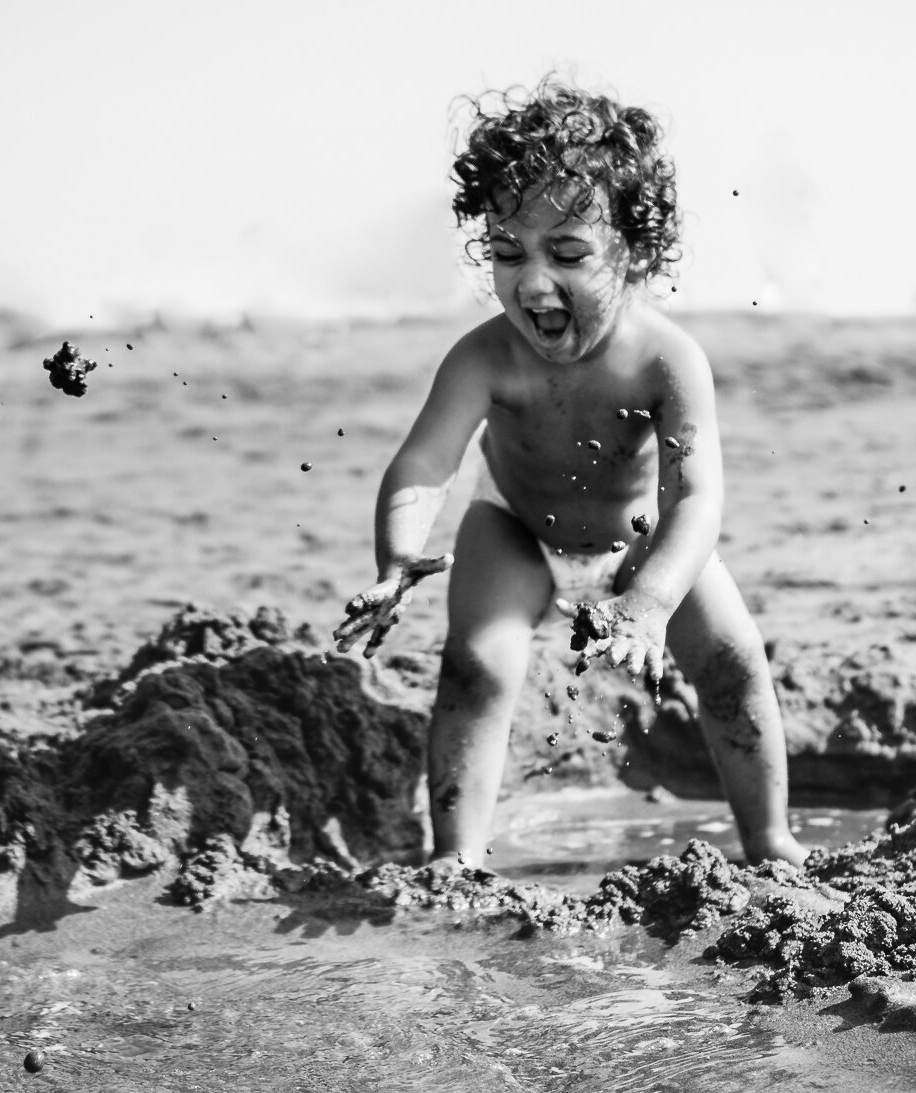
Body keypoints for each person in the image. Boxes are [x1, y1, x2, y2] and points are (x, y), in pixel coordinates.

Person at [334, 78, 807, 871]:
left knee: (733, 660)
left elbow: (696, 497)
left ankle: (770, 840)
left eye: (567, 253)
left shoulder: (667, 359)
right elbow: (425, 460)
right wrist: (396, 557)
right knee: (476, 667)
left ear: (638, 254)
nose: (531, 282)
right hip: (515, 529)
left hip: (643, 538)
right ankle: (456, 856)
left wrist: (651, 602)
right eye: (507, 252)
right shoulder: (484, 357)